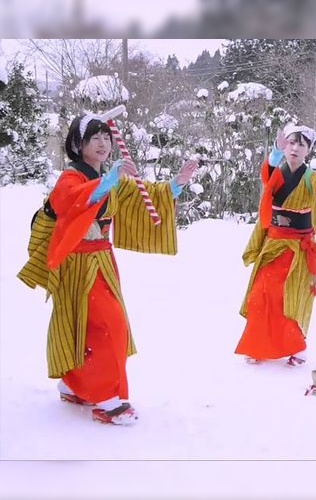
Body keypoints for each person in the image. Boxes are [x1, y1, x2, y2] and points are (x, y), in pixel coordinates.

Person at [17, 112, 198, 425]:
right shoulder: (71, 177)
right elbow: (69, 202)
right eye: (94, 138)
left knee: (90, 325)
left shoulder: (109, 176)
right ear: (78, 144)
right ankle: (106, 399)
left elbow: (144, 197)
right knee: (105, 325)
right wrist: (106, 182)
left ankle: (74, 384)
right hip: (76, 262)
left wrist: (176, 183)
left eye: (106, 137)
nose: (102, 144)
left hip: (101, 260)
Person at [235, 124, 316, 366]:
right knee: (260, 294)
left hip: (298, 248)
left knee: (289, 297)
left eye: (301, 144)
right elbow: (268, 176)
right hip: (273, 244)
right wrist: (274, 153)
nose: (294, 148)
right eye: (291, 142)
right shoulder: (278, 173)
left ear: (308, 150)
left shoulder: (310, 177)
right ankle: (258, 346)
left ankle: (297, 347)